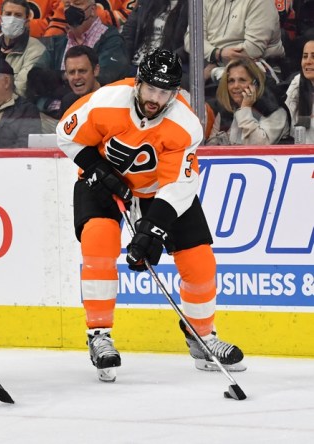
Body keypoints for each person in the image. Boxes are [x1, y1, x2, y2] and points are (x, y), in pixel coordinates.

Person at [55, 49, 245, 383]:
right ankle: (99, 335)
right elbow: (66, 135)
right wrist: (97, 168)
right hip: (101, 185)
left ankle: (201, 336)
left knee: (199, 260)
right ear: (138, 83)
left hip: (158, 192)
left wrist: (152, 231)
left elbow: (179, 186)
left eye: (165, 92)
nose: (156, 98)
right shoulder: (106, 101)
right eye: (151, 89)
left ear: (174, 92)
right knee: (99, 241)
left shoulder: (185, 125)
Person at [185, 0, 284, 84]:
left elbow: (252, 49)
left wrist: (215, 65)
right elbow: (191, 39)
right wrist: (216, 53)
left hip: (255, 70)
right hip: (210, 65)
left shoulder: (261, 2)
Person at [207, 58, 290, 145]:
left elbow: (258, 146)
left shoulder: (274, 112)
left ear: (256, 84)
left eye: (242, 80)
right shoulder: (227, 109)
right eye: (231, 81)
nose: (235, 86)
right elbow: (211, 146)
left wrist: (245, 109)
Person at [120, 0, 187, 71]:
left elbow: (190, 45)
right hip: (135, 64)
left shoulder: (193, 8)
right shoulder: (146, 2)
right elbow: (128, 33)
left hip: (163, 69)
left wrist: (167, 61)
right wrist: (124, 62)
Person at [285, 36, 314, 143]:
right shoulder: (297, 83)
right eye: (305, 56)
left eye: (313, 56)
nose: (308, 61)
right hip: (303, 154)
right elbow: (289, 127)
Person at [58, 44, 100, 117]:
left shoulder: (113, 98)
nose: (76, 77)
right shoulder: (67, 103)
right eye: (71, 72)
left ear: (96, 70)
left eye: (82, 71)